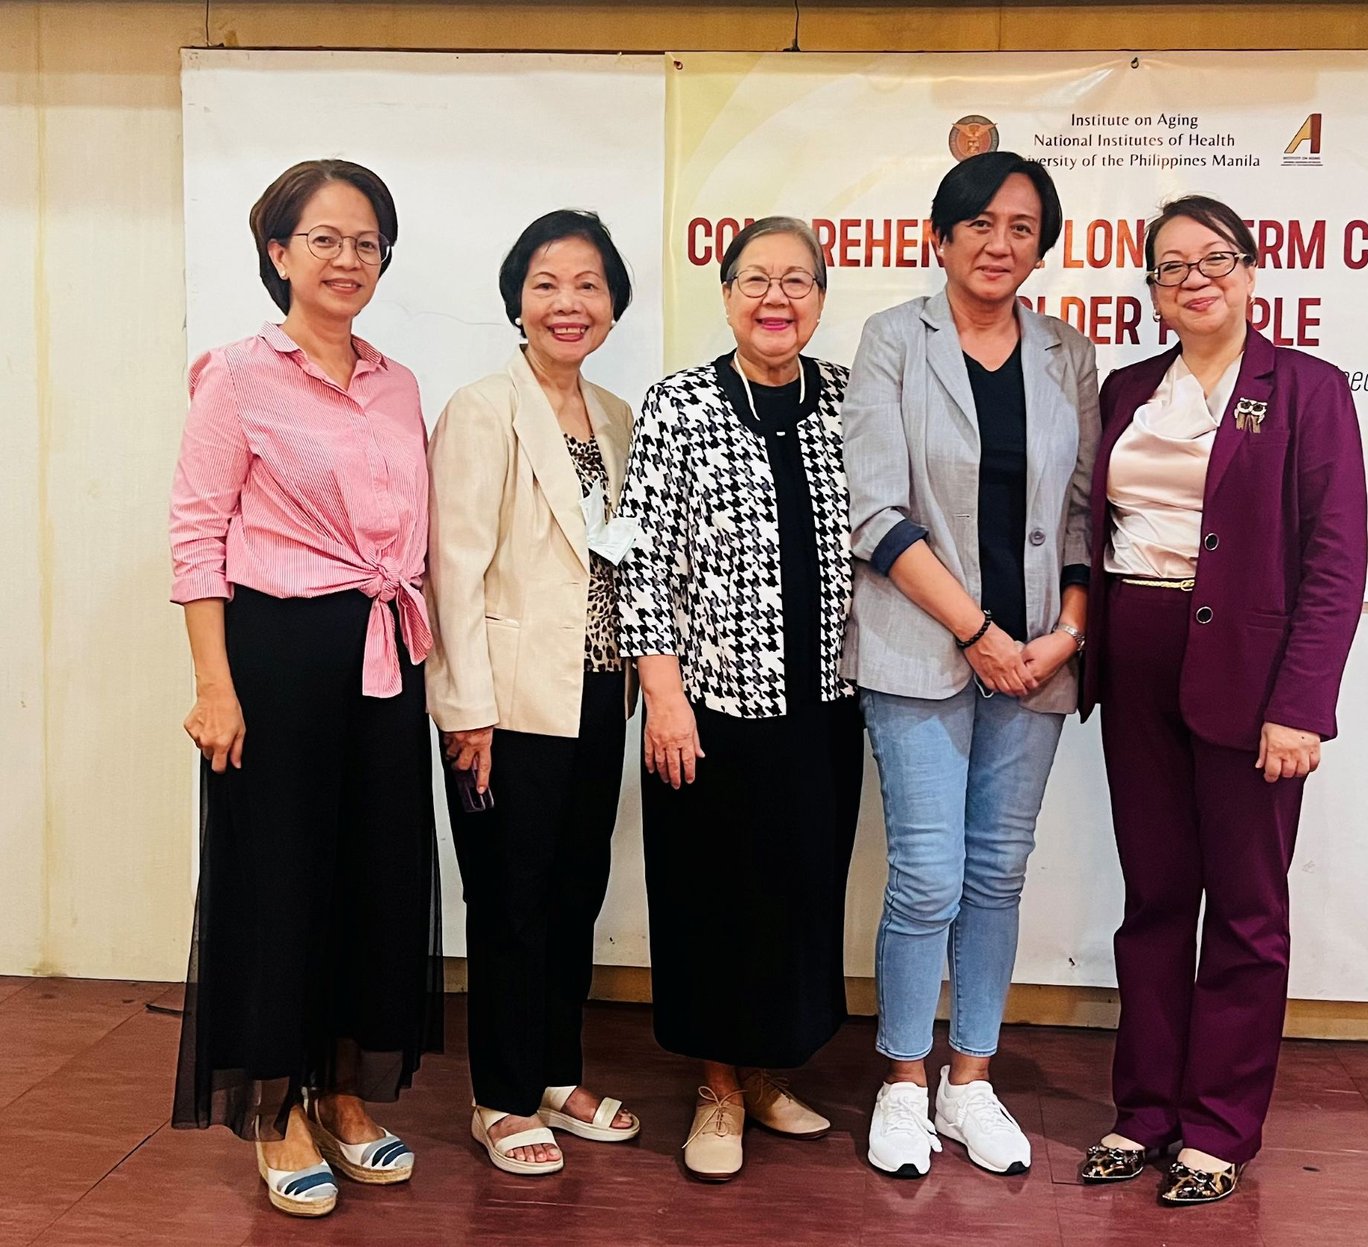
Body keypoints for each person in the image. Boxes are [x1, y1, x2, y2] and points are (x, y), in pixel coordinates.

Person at [1077, 195, 1367, 1205]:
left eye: (1214, 259)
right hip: (1136, 659)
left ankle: (1217, 1128)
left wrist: (1303, 703)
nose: (1194, 279)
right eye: (1171, 266)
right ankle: (1144, 1110)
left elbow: (1334, 561)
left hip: (1253, 675)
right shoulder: (1126, 390)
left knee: (1245, 908)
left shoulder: (1308, 390)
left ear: (1249, 271)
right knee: (1155, 898)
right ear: (1152, 292)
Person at [168, 159, 442, 1218]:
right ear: (278, 253)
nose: (347, 259)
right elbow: (198, 535)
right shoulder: (236, 376)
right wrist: (214, 684)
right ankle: (275, 1106)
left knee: (374, 874)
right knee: (277, 878)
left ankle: (344, 1092)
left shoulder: (398, 382)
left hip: (384, 653)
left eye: (366, 242)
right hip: (277, 653)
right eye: (324, 239)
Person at [842, 151, 1100, 1180]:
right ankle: (904, 1082)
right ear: (940, 237)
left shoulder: (1067, 353)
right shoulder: (891, 340)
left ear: (1042, 247)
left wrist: (1064, 633)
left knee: (997, 871)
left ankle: (970, 1079)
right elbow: (874, 509)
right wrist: (976, 631)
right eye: (979, 223)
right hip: (923, 650)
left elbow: (1081, 514)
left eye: (1022, 227)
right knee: (927, 874)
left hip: (1037, 658)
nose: (1000, 243)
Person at [615, 217, 861, 1183]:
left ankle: (763, 1074)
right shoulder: (678, 402)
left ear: (821, 298)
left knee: (798, 893)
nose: (776, 298)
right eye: (755, 278)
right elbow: (641, 560)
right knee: (711, 896)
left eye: (798, 280)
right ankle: (716, 1086)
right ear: (725, 296)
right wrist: (663, 693)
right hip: (709, 708)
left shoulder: (846, 397)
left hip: (825, 705)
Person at [426, 210, 642, 1176]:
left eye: (588, 285)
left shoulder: (618, 414)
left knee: (573, 889)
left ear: (613, 304)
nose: (568, 303)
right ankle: (501, 1097)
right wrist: (465, 707)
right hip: (505, 703)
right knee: (510, 898)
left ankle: (556, 1072)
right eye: (547, 283)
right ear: (518, 299)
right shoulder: (483, 409)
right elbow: (451, 569)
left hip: (596, 690)